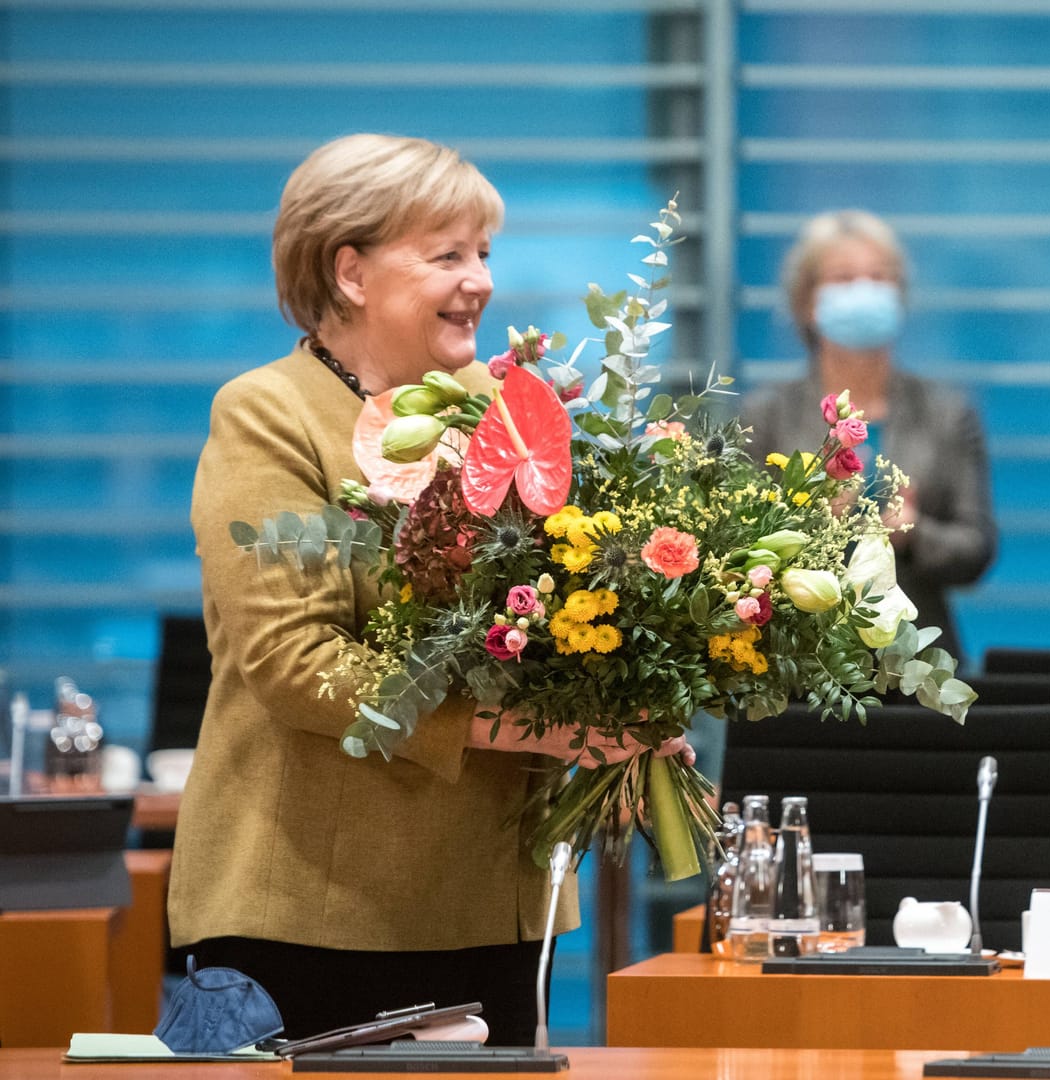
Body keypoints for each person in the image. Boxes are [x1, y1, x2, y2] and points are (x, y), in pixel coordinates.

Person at [172, 134, 659, 1044]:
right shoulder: (270, 414)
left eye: (484, 253)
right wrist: (537, 727)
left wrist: (629, 688)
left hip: (497, 899)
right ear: (350, 272)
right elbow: (293, 663)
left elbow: (558, 610)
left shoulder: (503, 407)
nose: (478, 279)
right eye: (446, 255)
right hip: (318, 914)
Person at [739, 209, 996, 660]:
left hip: (918, 663)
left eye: (879, 277)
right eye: (843, 277)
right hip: (793, 666)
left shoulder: (946, 412)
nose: (864, 290)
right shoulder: (766, 414)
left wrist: (913, 535)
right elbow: (737, 549)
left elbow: (976, 549)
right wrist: (812, 525)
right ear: (807, 302)